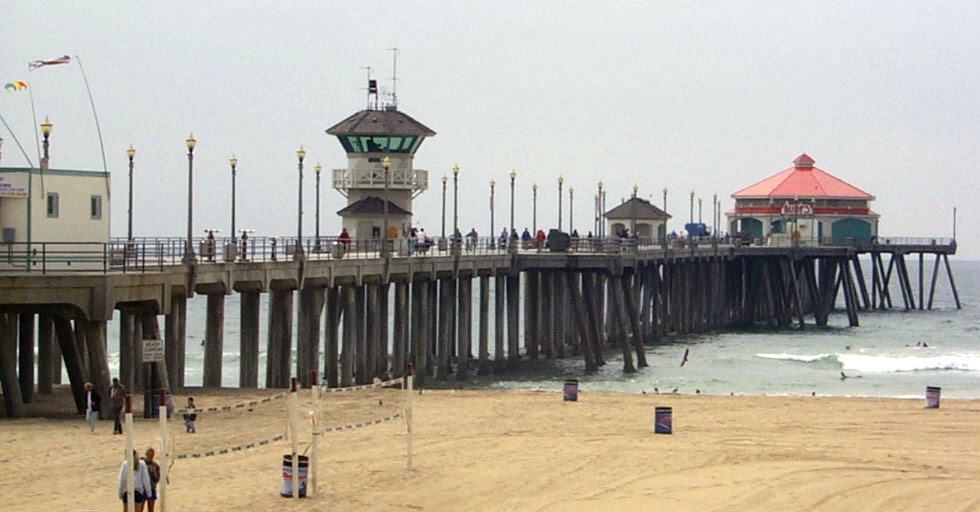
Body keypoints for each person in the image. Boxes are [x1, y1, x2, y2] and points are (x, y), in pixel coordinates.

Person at [143, 448, 160, 512]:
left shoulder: (155, 466)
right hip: (142, 488)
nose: (151, 458)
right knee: (140, 507)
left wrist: (154, 473)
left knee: (151, 508)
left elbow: (157, 479)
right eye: (149, 456)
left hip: (151, 488)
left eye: (152, 456)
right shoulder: (141, 464)